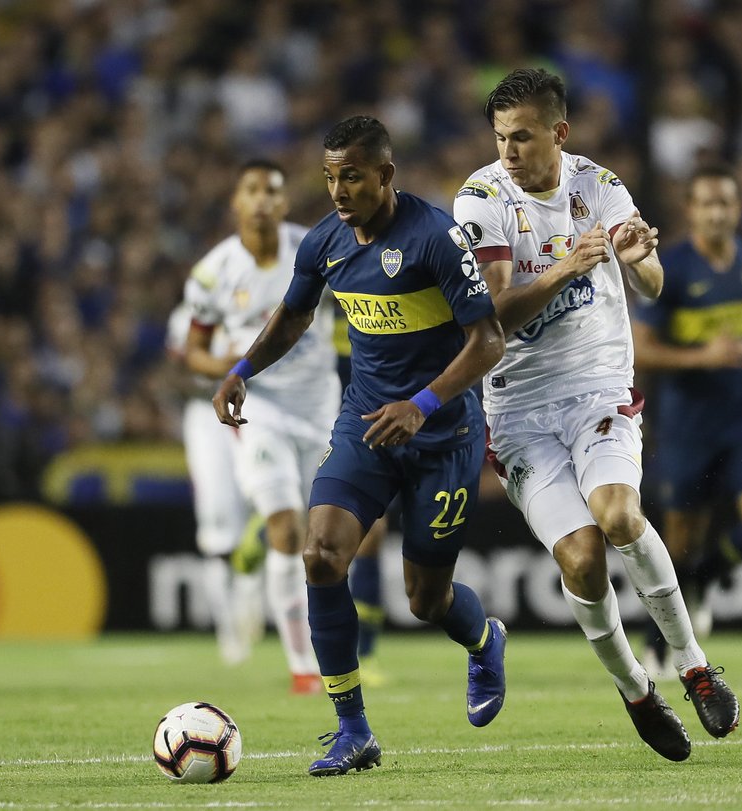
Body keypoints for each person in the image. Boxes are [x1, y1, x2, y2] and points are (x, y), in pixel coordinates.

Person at [454, 68, 738, 762]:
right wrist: (566, 267)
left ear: (560, 133)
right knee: (580, 560)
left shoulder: (599, 184)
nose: (509, 151)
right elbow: (492, 314)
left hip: (597, 387)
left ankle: (695, 663)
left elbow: (649, 275)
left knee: (617, 515)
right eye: (500, 137)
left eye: (523, 137)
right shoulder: (480, 199)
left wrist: (640, 261)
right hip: (518, 407)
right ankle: (636, 690)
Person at [214, 116, 508, 777]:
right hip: (367, 428)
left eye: (351, 175)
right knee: (320, 554)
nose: (339, 190)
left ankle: (486, 640)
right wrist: (240, 370)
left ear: (385, 175)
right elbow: (292, 316)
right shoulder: (324, 243)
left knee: (425, 600)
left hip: (445, 433)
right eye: (328, 177)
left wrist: (423, 403)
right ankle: (353, 730)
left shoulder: (434, 237)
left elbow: (489, 341)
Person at [180, 159, 334, 692]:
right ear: (237, 203)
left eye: (273, 191)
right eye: (252, 191)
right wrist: (226, 364)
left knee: (325, 539)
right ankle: (303, 669)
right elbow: (193, 350)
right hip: (260, 409)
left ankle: (315, 634)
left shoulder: (316, 248)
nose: (263, 200)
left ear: (285, 203)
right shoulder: (213, 272)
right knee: (286, 528)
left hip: (321, 408)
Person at [633, 163, 742, 673]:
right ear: (691, 210)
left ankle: (703, 578)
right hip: (687, 426)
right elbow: (641, 350)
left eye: (726, 202)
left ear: (737, 208)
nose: (718, 213)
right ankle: (661, 638)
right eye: (707, 204)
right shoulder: (672, 268)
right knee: (679, 543)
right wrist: (705, 355)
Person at [166, 300, 266, 668]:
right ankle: (229, 629)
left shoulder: (264, 301)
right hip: (207, 416)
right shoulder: (189, 313)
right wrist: (222, 367)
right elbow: (176, 369)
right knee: (218, 519)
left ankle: (252, 603)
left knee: (270, 507)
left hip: (258, 406)